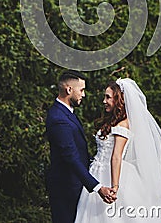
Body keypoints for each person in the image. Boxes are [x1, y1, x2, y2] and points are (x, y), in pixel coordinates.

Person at [75, 78, 161, 222]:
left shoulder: (122, 125)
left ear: (119, 100)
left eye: (108, 97)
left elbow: (116, 156)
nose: (104, 101)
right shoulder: (113, 122)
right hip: (98, 172)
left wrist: (115, 187)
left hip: (111, 174)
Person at [45, 71, 116, 223]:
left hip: (75, 185)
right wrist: (97, 187)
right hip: (66, 188)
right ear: (69, 90)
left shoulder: (66, 113)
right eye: (81, 90)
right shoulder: (58, 118)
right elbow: (70, 157)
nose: (83, 95)